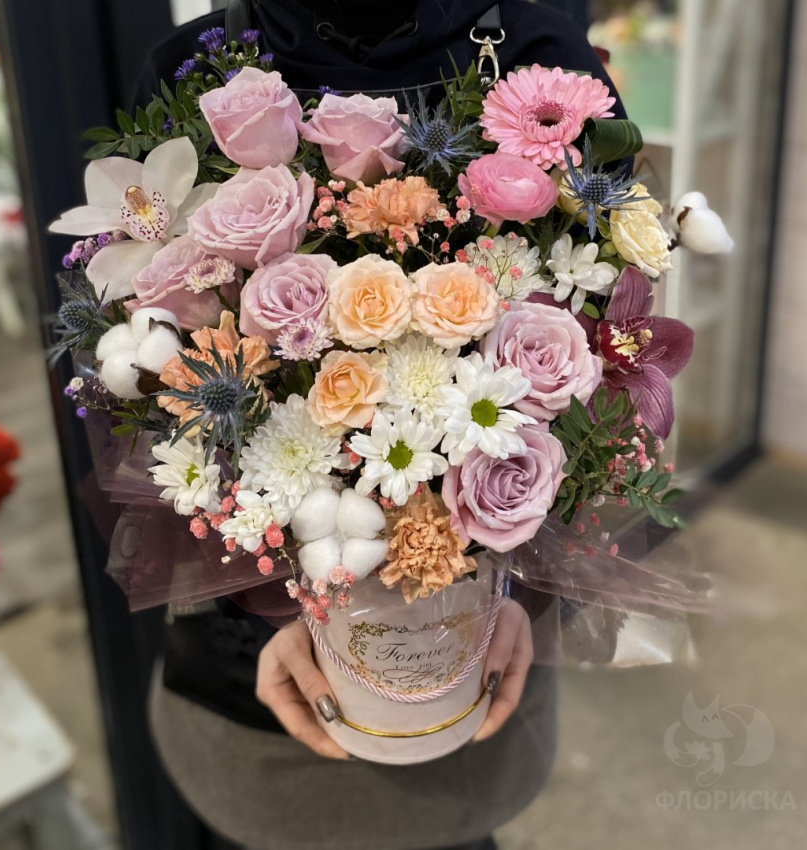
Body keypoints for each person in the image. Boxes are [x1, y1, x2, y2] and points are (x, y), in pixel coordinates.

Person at [141, 3, 627, 848]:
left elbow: (608, 371)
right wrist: (263, 617)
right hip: (255, 694)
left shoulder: (544, 58)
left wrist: (516, 597)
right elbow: (148, 398)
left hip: (473, 668)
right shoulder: (193, 71)